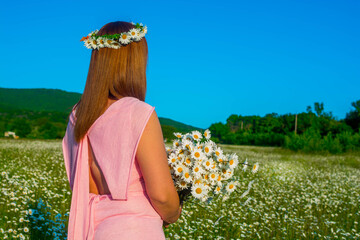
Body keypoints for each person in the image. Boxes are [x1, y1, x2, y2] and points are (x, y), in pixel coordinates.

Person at [62, 21, 182, 240]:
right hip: (135, 231)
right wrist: (174, 213)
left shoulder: (77, 117)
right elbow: (162, 196)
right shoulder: (137, 112)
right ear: (134, 63)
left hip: (91, 231)